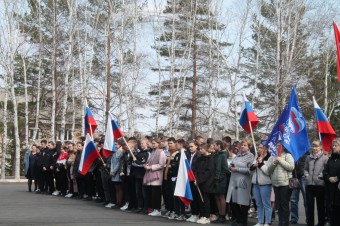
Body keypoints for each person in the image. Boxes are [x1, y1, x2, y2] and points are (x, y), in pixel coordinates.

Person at [226, 138, 255, 226]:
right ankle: (238, 219)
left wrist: (237, 169)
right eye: (241, 145)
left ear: (249, 147)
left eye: (244, 145)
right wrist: (230, 167)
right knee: (233, 201)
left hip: (243, 182)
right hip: (234, 181)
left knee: (243, 202)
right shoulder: (237, 155)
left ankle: (243, 221)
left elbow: (250, 170)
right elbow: (232, 164)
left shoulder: (250, 156)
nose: (242, 146)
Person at [265, 142, 294, 226]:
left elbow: (291, 167)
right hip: (276, 184)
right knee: (279, 205)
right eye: (276, 146)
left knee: (284, 205)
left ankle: (285, 223)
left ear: (283, 147)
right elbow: (268, 170)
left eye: (279, 146)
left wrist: (280, 160)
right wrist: (274, 162)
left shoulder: (288, 156)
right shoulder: (273, 157)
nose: (278, 147)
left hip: (285, 183)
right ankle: (280, 222)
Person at [304, 140, 328, 226]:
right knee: (309, 206)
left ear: (320, 147)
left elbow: (326, 170)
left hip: (320, 185)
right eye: (313, 146)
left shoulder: (325, 158)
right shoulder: (308, 157)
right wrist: (306, 175)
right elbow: (305, 169)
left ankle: (321, 223)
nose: (314, 148)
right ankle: (310, 223)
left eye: (316, 146)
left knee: (320, 206)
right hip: (309, 184)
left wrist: (320, 176)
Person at [250, 144, 272, 226]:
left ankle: (268, 222)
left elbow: (267, 171)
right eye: (258, 147)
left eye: (260, 148)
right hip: (255, 183)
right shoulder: (256, 157)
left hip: (265, 184)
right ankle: (260, 221)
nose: (258, 149)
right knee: (258, 203)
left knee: (266, 203)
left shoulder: (270, 158)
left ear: (265, 149)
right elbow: (251, 170)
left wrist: (261, 163)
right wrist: (255, 164)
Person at [143, 138, 166, 217]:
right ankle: (153, 208)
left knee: (156, 193)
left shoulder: (161, 152)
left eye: (154, 143)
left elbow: (161, 164)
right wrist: (146, 165)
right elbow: (150, 161)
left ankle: (157, 209)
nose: (153, 145)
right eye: (152, 143)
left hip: (157, 176)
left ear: (158, 144)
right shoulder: (152, 152)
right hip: (150, 175)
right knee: (151, 193)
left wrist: (150, 167)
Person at [195, 144, 215, 224]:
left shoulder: (210, 159)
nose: (200, 150)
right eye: (199, 149)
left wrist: (199, 180)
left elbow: (208, 172)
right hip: (199, 182)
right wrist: (196, 178)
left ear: (206, 149)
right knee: (200, 199)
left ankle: (206, 216)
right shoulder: (200, 158)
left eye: (201, 149)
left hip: (207, 183)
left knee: (205, 200)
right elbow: (196, 169)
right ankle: (202, 215)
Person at [323, 138, 340, 226]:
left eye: (336, 146)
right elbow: (325, 171)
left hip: (338, 189)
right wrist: (328, 177)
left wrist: (337, 178)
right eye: (333, 146)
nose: (333, 147)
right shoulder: (330, 159)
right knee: (331, 210)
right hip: (330, 189)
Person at [290, 152, 308, 224]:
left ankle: (309, 218)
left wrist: (305, 174)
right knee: (293, 200)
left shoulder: (306, 152)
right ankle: (294, 218)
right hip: (295, 178)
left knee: (306, 200)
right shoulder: (293, 151)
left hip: (304, 178)